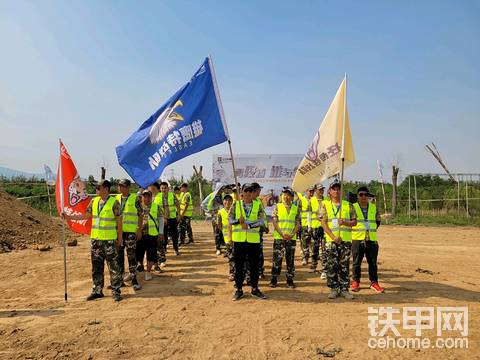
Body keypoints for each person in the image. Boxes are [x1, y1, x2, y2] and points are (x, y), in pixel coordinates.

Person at [64, 180, 123, 302]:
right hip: (96, 240)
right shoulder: (94, 201)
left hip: (109, 241)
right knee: (96, 267)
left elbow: (119, 222)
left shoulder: (114, 202)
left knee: (113, 267)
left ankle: (116, 291)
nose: (96, 190)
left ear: (106, 189)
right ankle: (97, 290)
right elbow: (86, 216)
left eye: (98, 188)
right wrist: (69, 217)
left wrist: (120, 238)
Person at [229, 183, 267, 301]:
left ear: (252, 194)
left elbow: (261, 221)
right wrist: (237, 221)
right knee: (239, 266)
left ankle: (255, 288)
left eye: (250, 191)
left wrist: (249, 226)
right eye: (246, 191)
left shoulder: (258, 205)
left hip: (253, 241)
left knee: (254, 266)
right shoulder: (236, 205)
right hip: (239, 240)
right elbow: (230, 219)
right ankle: (239, 289)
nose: (248, 194)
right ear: (242, 193)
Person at [320, 180, 357, 300]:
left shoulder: (348, 205)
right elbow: (323, 223)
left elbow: (354, 222)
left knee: (344, 265)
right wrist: (333, 237)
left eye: (339, 189)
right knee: (332, 265)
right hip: (331, 241)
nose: (337, 191)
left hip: (345, 241)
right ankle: (334, 288)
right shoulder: (325, 205)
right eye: (334, 189)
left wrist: (345, 222)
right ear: (329, 191)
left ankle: (344, 289)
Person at [351, 186, 384, 293]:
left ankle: (374, 283)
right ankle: (356, 281)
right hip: (357, 239)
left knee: (373, 263)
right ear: (357, 196)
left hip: (372, 240)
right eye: (361, 194)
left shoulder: (373, 208)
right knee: (356, 262)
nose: (363, 196)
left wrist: (369, 231)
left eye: (366, 194)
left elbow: (377, 221)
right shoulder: (353, 207)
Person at [270, 188, 301, 288]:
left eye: (288, 195)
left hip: (291, 239)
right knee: (277, 259)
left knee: (290, 260)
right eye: (284, 194)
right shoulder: (278, 207)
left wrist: (292, 234)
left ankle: (290, 279)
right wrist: (282, 233)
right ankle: (274, 279)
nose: (285, 197)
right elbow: (274, 221)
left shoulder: (295, 208)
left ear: (292, 197)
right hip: (279, 237)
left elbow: (298, 223)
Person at [115, 179, 142, 291]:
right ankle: (119, 281)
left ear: (128, 187)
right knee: (118, 257)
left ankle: (134, 280)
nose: (120, 188)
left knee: (131, 257)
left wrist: (139, 229)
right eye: (119, 186)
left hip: (130, 233)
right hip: (119, 233)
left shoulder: (135, 198)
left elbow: (140, 215)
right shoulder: (115, 199)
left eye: (122, 186)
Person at [137, 190, 164, 281]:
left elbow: (160, 220)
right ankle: (140, 266)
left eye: (148, 196)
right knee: (139, 252)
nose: (146, 198)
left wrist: (161, 232)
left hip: (152, 234)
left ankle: (148, 272)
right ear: (142, 197)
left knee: (151, 253)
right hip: (140, 234)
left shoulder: (156, 207)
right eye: (145, 196)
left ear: (151, 197)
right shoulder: (138, 207)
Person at [155, 182, 181, 256]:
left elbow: (177, 205)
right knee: (164, 235)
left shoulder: (172, 195)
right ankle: (164, 249)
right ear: (160, 189)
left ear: (168, 188)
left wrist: (178, 215)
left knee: (174, 235)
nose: (164, 189)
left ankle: (176, 249)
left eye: (165, 188)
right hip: (162, 219)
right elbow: (156, 208)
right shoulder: (157, 197)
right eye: (162, 188)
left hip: (172, 218)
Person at [147, 182, 167, 270]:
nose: (149, 187)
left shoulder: (161, 196)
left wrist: (165, 217)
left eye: (150, 186)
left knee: (160, 242)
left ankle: (161, 259)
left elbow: (166, 207)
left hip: (160, 222)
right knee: (150, 245)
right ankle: (152, 262)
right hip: (149, 225)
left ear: (154, 187)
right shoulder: (146, 197)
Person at [310, 184, 326, 277]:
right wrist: (309, 226)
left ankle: (324, 267)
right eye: (319, 189)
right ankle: (314, 265)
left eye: (322, 189)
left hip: (324, 227)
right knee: (315, 246)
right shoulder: (311, 200)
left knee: (323, 247)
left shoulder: (326, 200)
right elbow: (309, 213)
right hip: (315, 226)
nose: (321, 191)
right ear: (316, 190)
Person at [218, 195, 234, 281]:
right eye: (225, 200)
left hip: (237, 237)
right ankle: (232, 273)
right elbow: (219, 225)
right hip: (227, 238)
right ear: (223, 202)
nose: (227, 202)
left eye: (229, 200)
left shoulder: (235, 211)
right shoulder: (220, 212)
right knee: (231, 256)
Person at [299, 187, 315, 266]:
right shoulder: (301, 201)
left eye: (312, 192)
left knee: (313, 243)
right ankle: (305, 258)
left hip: (314, 225)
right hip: (304, 225)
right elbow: (298, 213)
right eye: (310, 192)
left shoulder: (315, 200)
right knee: (304, 242)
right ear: (306, 191)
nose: (311, 194)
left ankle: (313, 259)